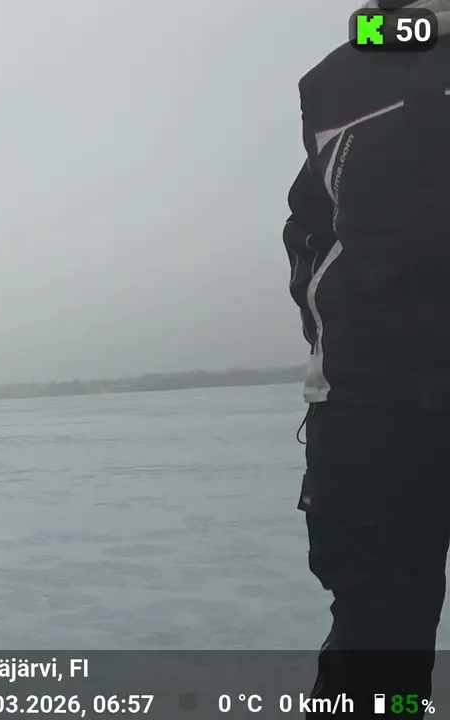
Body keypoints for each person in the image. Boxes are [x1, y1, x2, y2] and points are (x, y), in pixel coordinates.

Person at [284, 0, 450, 715]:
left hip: (375, 403)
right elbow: (310, 229)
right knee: (377, 657)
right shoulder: (339, 77)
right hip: (373, 408)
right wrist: (340, 342)